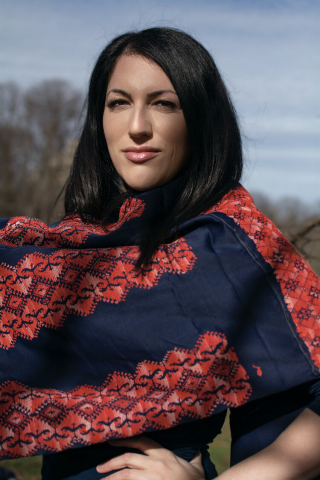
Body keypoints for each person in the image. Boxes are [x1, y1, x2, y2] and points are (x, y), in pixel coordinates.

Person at [0, 28, 319, 480]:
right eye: (118, 103)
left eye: (164, 103)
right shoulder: (49, 257)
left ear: (201, 119)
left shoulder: (235, 248)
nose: (137, 127)